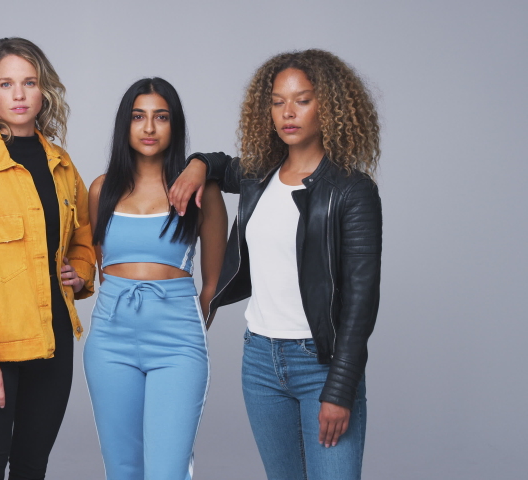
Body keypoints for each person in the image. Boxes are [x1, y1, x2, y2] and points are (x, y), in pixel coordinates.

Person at [169, 49, 382, 480]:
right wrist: (196, 166)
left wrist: (340, 387)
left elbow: (362, 300)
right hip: (261, 362)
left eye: (302, 100)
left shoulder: (351, 190)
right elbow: (218, 164)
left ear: (329, 106)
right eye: (278, 102)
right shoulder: (258, 174)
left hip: (321, 363)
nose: (288, 112)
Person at [0, 37, 95, 480]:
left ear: (44, 90)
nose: (19, 94)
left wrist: (81, 271)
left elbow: (85, 234)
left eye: (30, 82)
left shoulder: (62, 164)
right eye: (6, 84)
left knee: (31, 466)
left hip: (54, 342)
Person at [84, 78, 227, 480]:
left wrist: (181, 320)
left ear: (174, 124)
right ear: (125, 125)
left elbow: (213, 286)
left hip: (177, 342)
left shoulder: (201, 191)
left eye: (161, 117)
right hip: (110, 341)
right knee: (123, 469)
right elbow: (103, 266)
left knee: (167, 471)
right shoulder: (101, 190)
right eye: (138, 117)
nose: (149, 128)